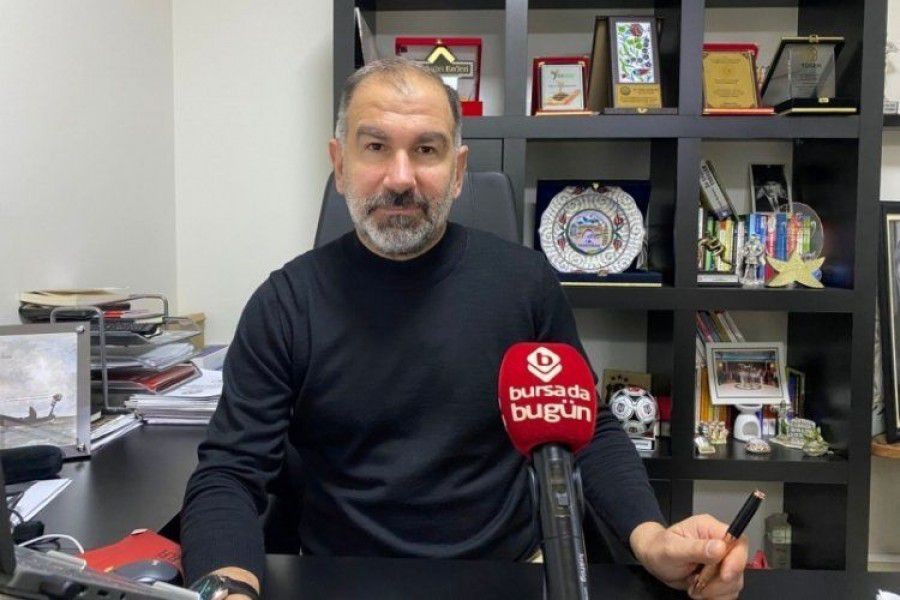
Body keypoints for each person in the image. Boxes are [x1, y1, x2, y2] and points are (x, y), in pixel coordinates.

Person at [180, 58, 748, 600]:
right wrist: (229, 585)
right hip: (343, 576)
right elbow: (229, 473)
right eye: (375, 147)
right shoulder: (286, 304)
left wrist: (652, 539)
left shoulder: (524, 284)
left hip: (507, 575)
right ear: (339, 163)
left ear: (457, 171)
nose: (400, 178)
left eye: (426, 150)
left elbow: (586, 431)